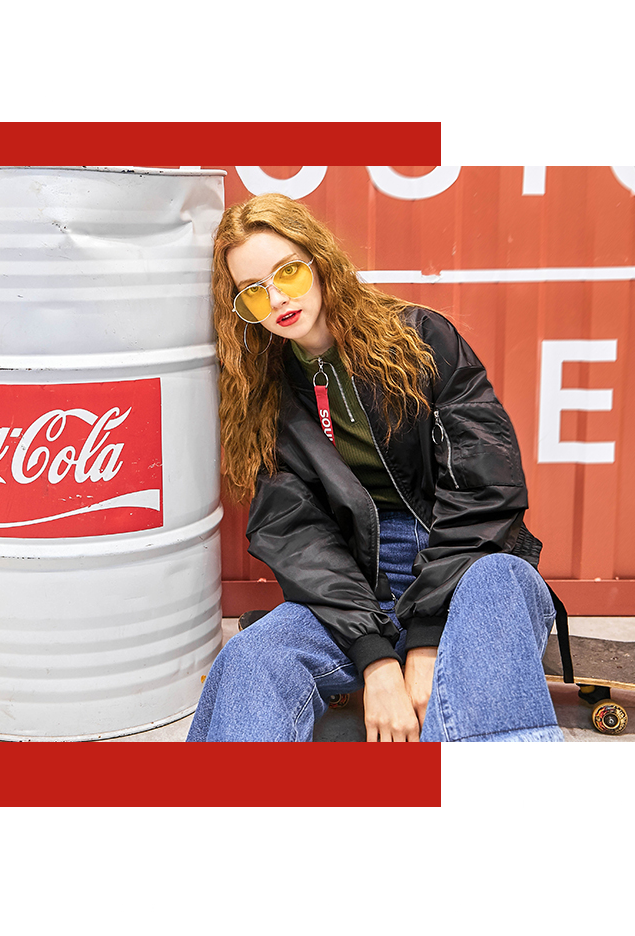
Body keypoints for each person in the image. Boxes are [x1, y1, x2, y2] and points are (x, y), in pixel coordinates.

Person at [187, 193, 565, 743]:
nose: (277, 299)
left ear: (320, 261)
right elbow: (296, 535)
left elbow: (485, 487)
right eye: (253, 291)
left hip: (466, 562)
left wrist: (426, 638)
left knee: (500, 582)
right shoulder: (265, 397)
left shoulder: (420, 340)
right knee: (252, 657)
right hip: (355, 584)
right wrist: (376, 659)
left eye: (288, 273)